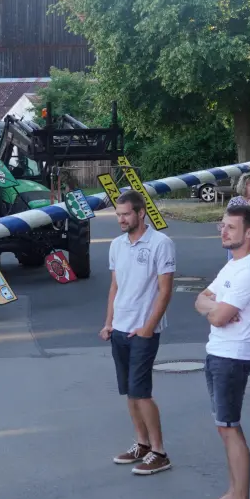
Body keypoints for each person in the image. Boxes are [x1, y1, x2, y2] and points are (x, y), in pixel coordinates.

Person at [196, 204, 250, 499]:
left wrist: (215, 309)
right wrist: (214, 307)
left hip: (233, 356)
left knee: (229, 427)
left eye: (230, 227)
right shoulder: (232, 266)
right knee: (225, 426)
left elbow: (220, 315)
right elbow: (201, 299)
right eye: (222, 226)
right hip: (218, 350)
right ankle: (233, 492)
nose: (223, 231)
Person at [102, 190, 177, 474]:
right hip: (119, 329)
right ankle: (141, 444)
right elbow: (114, 286)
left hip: (143, 330)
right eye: (118, 215)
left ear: (140, 213)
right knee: (130, 393)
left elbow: (165, 290)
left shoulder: (161, 243)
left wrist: (147, 329)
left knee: (141, 391)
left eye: (125, 214)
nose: (121, 219)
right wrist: (108, 322)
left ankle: (160, 452)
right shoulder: (117, 245)